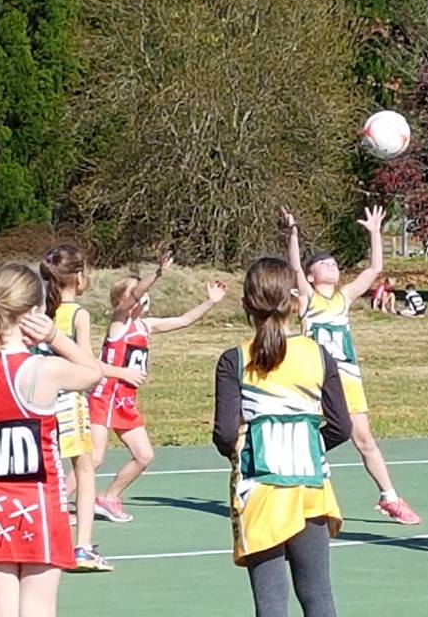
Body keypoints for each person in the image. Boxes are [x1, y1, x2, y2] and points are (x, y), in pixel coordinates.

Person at [0, 262, 103, 616]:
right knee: (38, 607)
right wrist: (55, 337)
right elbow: (94, 374)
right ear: (36, 312)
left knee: (1, 609)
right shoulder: (43, 369)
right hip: (39, 503)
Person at [213, 257, 352, 617]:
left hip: (260, 491)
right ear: (294, 302)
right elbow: (341, 426)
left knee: (271, 603)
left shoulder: (235, 359)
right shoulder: (318, 355)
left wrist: (245, 448)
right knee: (318, 595)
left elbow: (225, 433)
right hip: (310, 488)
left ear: (245, 305)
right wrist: (307, 446)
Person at [282, 206, 421, 525]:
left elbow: (374, 268)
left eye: (333, 262)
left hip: (348, 379)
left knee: (364, 440)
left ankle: (390, 497)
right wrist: (293, 233)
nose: (331, 265)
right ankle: (294, 484)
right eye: (323, 264)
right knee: (310, 432)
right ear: (312, 276)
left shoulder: (343, 298)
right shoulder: (308, 299)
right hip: (315, 379)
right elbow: (295, 267)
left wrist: (375, 233)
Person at [89, 255, 226, 523]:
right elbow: (134, 295)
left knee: (144, 455)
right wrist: (157, 274)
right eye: (137, 292)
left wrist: (210, 301)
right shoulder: (120, 324)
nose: (144, 295)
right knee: (94, 458)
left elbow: (184, 320)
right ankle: (56, 502)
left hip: (125, 400)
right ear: (124, 300)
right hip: (105, 395)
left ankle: (108, 498)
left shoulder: (147, 326)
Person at [38, 245, 141, 572]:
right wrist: (119, 372)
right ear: (79, 277)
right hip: (70, 400)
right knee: (85, 471)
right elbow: (87, 363)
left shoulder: (40, 312)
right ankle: (82, 546)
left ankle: (43, 541)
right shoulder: (78, 315)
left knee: (45, 472)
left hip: (41, 400)